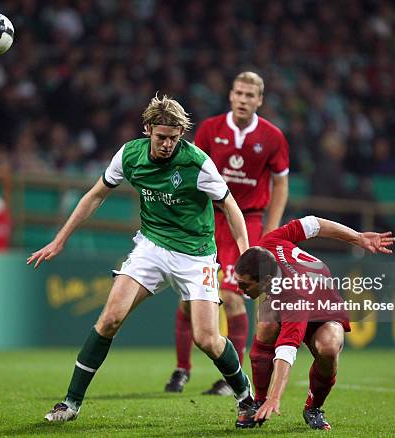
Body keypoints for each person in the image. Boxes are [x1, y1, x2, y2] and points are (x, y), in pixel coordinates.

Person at [28, 94, 256, 423]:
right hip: (152, 246)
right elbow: (95, 196)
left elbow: (231, 208)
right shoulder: (130, 155)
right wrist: (60, 240)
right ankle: (70, 403)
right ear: (147, 128)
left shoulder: (196, 163)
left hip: (196, 255)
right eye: (161, 137)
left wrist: (245, 253)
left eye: (173, 139)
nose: (166, 144)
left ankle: (245, 395)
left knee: (206, 338)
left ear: (182, 135)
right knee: (109, 319)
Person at [165, 71, 289, 395]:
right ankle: (181, 370)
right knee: (188, 300)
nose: (244, 100)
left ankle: (228, 379)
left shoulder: (273, 137)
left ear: (259, 100)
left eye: (251, 95)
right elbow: (192, 172)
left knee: (234, 297)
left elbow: (281, 185)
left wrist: (271, 230)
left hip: (247, 223)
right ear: (230, 95)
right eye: (239, 93)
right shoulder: (209, 129)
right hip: (208, 220)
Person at [232, 216, 395, 429]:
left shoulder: (294, 294)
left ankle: (313, 408)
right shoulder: (267, 244)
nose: (239, 289)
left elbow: (286, 351)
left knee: (328, 348)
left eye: (244, 285)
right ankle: (258, 402)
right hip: (292, 296)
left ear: (265, 280)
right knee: (267, 323)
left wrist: (276, 396)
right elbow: (314, 223)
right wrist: (358, 237)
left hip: (322, 308)